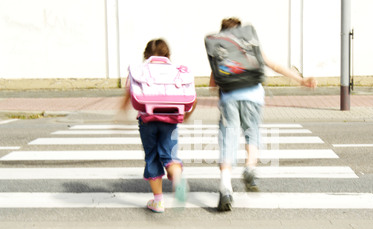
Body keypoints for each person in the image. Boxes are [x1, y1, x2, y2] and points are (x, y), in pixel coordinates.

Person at [208, 18, 317, 212]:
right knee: (252, 134)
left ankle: (225, 186)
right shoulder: (250, 46)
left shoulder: (219, 51)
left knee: (228, 140)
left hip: (228, 100)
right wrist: (301, 80)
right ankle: (250, 168)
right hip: (253, 97)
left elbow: (212, 84)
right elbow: (274, 66)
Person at [119, 39, 197, 213]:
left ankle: (158, 202)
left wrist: (121, 114)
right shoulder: (176, 72)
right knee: (170, 156)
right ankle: (177, 180)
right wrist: (186, 115)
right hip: (171, 119)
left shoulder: (140, 71)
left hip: (147, 120)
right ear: (168, 55)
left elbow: (129, 94)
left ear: (146, 55)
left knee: (152, 157)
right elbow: (192, 98)